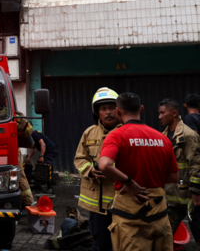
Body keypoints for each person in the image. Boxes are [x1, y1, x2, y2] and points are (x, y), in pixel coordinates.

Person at [98, 92, 179, 251]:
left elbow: (104, 165)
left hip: (130, 214)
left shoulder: (116, 135)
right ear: (141, 109)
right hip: (159, 212)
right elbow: (174, 177)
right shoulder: (162, 138)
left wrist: (129, 182)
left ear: (118, 111)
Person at [74, 87, 121, 251]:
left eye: (112, 108)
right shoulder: (89, 133)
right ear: (97, 113)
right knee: (101, 244)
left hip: (122, 201)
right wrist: (90, 171)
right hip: (97, 204)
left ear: (119, 110)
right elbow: (80, 158)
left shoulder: (126, 132)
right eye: (103, 109)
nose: (108, 112)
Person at [158, 98, 200, 246]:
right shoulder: (162, 137)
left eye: (163, 113)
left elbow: (196, 165)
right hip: (172, 197)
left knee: (198, 234)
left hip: (190, 197)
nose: (160, 116)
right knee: (164, 236)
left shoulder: (188, 136)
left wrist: (196, 191)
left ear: (174, 113)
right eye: (159, 113)